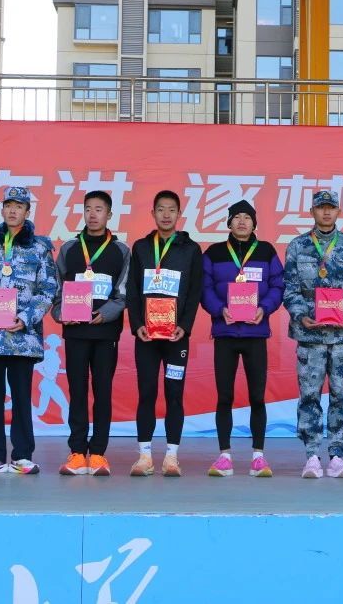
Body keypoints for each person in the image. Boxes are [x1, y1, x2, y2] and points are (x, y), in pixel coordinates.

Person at [0, 185, 58, 475]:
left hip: (22, 338)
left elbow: (48, 288)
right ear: (2, 209)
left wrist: (26, 318)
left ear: (28, 211)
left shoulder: (40, 248)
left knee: (21, 398)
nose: (13, 210)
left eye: (19, 206)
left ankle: (22, 456)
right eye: (8, 205)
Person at [283, 190, 343, 479]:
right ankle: (311, 455)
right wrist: (300, 314)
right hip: (310, 335)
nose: (326, 213)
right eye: (321, 208)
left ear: (338, 211)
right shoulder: (298, 246)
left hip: (342, 336)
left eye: (331, 208)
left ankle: (336, 455)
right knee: (309, 395)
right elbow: (289, 287)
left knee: (342, 395)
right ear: (312, 212)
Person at [201, 199, 285, 477]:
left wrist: (264, 308)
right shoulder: (214, 253)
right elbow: (205, 288)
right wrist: (219, 309)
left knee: (257, 397)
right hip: (225, 333)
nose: (241, 222)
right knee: (224, 396)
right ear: (228, 222)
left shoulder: (266, 251)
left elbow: (278, 285)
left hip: (255, 333)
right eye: (236, 217)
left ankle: (258, 456)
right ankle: (224, 456)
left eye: (247, 217)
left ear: (254, 223)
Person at [126, 190, 204, 477]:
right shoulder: (141, 247)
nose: (166, 215)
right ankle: (144, 456)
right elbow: (132, 289)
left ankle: (172, 456)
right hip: (146, 337)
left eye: (172, 210)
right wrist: (137, 324)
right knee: (146, 393)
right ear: (153, 213)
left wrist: (185, 325)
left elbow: (194, 292)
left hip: (175, 338)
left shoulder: (191, 249)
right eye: (161, 209)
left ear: (179, 214)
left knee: (174, 394)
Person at [52, 190, 130, 477]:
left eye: (99, 209)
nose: (93, 214)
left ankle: (98, 453)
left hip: (105, 333)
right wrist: (60, 313)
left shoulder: (121, 250)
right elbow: (56, 288)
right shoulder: (70, 249)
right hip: (75, 333)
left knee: (103, 392)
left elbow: (124, 292)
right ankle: (76, 452)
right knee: (77, 392)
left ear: (109, 215)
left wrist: (106, 313)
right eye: (88, 209)